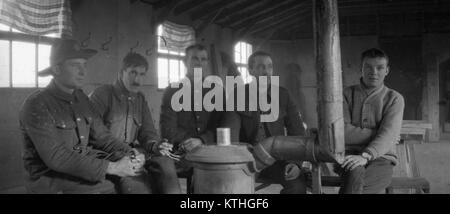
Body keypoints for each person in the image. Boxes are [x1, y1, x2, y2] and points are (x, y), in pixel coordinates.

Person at [19, 39, 145, 194]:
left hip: (82, 167)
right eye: (75, 65)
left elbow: (102, 136)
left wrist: (131, 152)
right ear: (57, 69)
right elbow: (57, 157)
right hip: (50, 177)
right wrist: (112, 167)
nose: (83, 72)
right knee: (108, 188)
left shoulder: (82, 99)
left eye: (84, 65)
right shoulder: (37, 104)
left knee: (135, 178)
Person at [89, 52, 181, 194]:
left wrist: (157, 145)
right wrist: (130, 152)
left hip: (133, 152)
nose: (138, 80)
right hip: (107, 153)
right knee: (137, 176)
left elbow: (148, 132)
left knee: (165, 162)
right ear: (121, 73)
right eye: (133, 73)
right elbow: (97, 135)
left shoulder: (140, 99)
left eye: (142, 74)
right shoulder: (102, 94)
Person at [221, 51, 309, 194]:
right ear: (251, 70)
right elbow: (231, 135)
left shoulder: (283, 95)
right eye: (261, 67)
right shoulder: (237, 94)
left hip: (278, 160)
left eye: (270, 67)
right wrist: (235, 165)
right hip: (247, 159)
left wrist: (295, 163)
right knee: (232, 188)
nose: (266, 72)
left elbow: (298, 133)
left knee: (297, 186)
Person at [337, 48, 404, 194]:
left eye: (379, 68)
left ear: (387, 70)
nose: (373, 72)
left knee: (357, 187)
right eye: (368, 67)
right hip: (348, 155)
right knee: (354, 176)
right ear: (361, 69)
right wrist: (382, 134)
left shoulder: (395, 98)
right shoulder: (346, 94)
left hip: (382, 157)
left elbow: (389, 134)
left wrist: (365, 156)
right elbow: (342, 132)